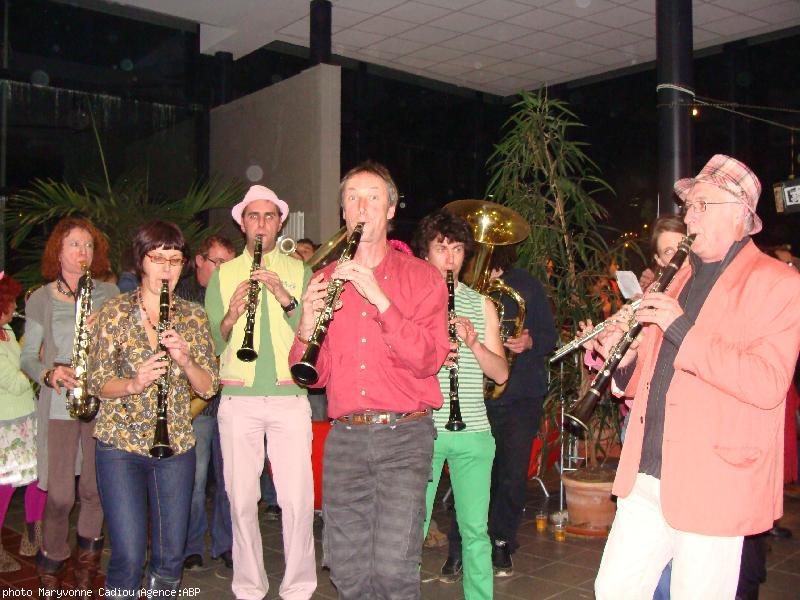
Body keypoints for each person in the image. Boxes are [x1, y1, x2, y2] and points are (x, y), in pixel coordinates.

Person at [591, 155, 800, 600]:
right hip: (647, 471)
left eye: (701, 205)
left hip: (714, 481)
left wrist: (680, 326)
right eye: (689, 206)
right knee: (613, 590)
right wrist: (623, 356)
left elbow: (766, 383)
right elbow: (652, 366)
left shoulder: (778, 284)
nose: (688, 216)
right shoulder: (676, 276)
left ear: (739, 213)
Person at [289, 160, 450, 599]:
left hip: (405, 435)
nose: (362, 207)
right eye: (353, 199)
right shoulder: (324, 279)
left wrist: (381, 301)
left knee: (395, 568)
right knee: (347, 567)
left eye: (373, 198)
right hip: (345, 439)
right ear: (343, 211)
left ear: (391, 209)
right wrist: (306, 325)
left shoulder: (422, 278)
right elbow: (311, 375)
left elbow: (428, 359)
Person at [88, 220, 219, 595]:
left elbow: (208, 387)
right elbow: (98, 382)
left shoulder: (193, 316)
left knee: (170, 556)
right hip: (119, 446)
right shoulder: (114, 312)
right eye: (157, 258)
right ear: (140, 262)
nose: (166, 269)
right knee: (128, 555)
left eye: (174, 260)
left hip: (175, 445)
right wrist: (133, 383)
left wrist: (187, 359)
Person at [205, 185, 315, 600]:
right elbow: (213, 344)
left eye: (270, 217)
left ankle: (299, 587)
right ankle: (249, 586)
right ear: (242, 223)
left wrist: (285, 297)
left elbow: (312, 335)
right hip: (238, 399)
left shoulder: (300, 270)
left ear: (280, 223)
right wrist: (232, 314)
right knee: (240, 499)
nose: (262, 224)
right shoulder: (224, 273)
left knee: (298, 498)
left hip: (289, 398)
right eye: (254, 216)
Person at [443, 243, 557, 579]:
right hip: (472, 396)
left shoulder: (527, 285)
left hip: (519, 396)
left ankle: (502, 541)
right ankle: (457, 546)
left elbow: (549, 336)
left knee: (511, 475)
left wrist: (529, 342)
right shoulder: (462, 287)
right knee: (469, 477)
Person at [411, 210, 508, 600]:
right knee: (412, 529)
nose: (449, 256)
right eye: (440, 247)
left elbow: (500, 373)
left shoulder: (481, 304)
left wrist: (473, 343)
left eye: (456, 248)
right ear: (426, 253)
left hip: (473, 432)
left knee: (475, 530)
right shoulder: (410, 303)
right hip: (423, 428)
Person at [21, 216, 119, 591]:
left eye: (89, 245)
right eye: (75, 244)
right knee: (60, 495)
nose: (84, 252)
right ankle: (52, 562)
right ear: (58, 252)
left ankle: (85, 573)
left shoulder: (109, 296)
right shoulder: (41, 298)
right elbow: (29, 356)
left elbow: (126, 346)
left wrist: (106, 329)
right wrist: (49, 374)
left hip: (100, 401)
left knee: (93, 490)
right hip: (61, 403)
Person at [175, 234, 236, 572]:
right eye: (217, 262)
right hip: (195, 400)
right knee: (195, 481)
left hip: (228, 399)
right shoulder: (182, 294)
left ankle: (226, 544)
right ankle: (192, 546)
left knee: (231, 480)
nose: (223, 269)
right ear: (199, 261)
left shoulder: (233, 293)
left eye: (228, 263)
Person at [0, 273, 47, 572]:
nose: (14, 306)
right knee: (4, 486)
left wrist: (31, 348)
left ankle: (33, 536)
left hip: (23, 420)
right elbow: (12, 381)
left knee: (36, 478)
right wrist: (34, 366)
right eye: (11, 301)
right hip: (6, 424)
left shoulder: (4, 330)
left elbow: (17, 363)